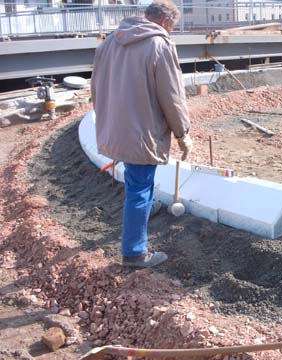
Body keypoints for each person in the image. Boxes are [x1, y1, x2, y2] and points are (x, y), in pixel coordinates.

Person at [91, 0, 192, 267]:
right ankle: (135, 253)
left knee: (137, 183)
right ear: (167, 22)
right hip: (142, 132)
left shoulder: (109, 42)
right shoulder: (160, 45)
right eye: (173, 27)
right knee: (139, 188)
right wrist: (183, 133)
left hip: (114, 127)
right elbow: (171, 96)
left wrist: (105, 121)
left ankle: (147, 210)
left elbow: (96, 88)